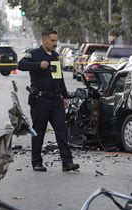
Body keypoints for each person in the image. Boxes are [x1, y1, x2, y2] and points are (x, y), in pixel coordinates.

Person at [18, 28, 79, 172]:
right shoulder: (33, 54)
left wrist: (65, 96)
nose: (55, 43)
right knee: (39, 131)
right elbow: (20, 65)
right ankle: (37, 162)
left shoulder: (55, 56)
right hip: (40, 100)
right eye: (52, 40)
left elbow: (59, 78)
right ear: (43, 40)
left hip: (56, 100)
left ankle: (67, 162)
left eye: (56, 40)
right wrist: (38, 65)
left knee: (62, 131)